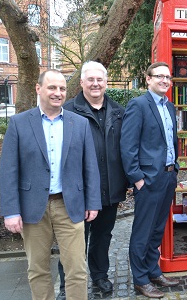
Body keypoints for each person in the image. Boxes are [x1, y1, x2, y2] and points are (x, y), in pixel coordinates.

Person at [0, 69, 101, 300]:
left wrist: (92, 202)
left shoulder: (80, 124)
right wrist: (11, 211)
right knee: (38, 269)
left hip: (70, 205)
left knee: (76, 268)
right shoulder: (19, 123)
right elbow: (8, 171)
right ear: (39, 89)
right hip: (32, 207)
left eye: (62, 88)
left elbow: (90, 167)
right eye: (52, 87)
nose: (58, 93)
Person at [56, 61, 128, 299]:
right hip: (80, 190)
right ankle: (68, 285)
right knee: (74, 239)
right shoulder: (67, 112)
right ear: (82, 83)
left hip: (110, 187)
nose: (96, 84)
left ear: (106, 82)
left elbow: (126, 149)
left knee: (103, 235)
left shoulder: (119, 111)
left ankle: (99, 275)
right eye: (91, 80)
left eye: (100, 80)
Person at [120, 62, 180, 298]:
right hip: (148, 180)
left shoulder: (169, 106)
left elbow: (171, 142)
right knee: (143, 232)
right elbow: (128, 146)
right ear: (148, 79)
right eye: (159, 76)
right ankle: (140, 279)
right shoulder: (138, 105)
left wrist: (175, 168)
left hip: (167, 177)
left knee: (157, 231)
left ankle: (153, 271)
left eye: (168, 77)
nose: (164, 80)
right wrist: (137, 179)